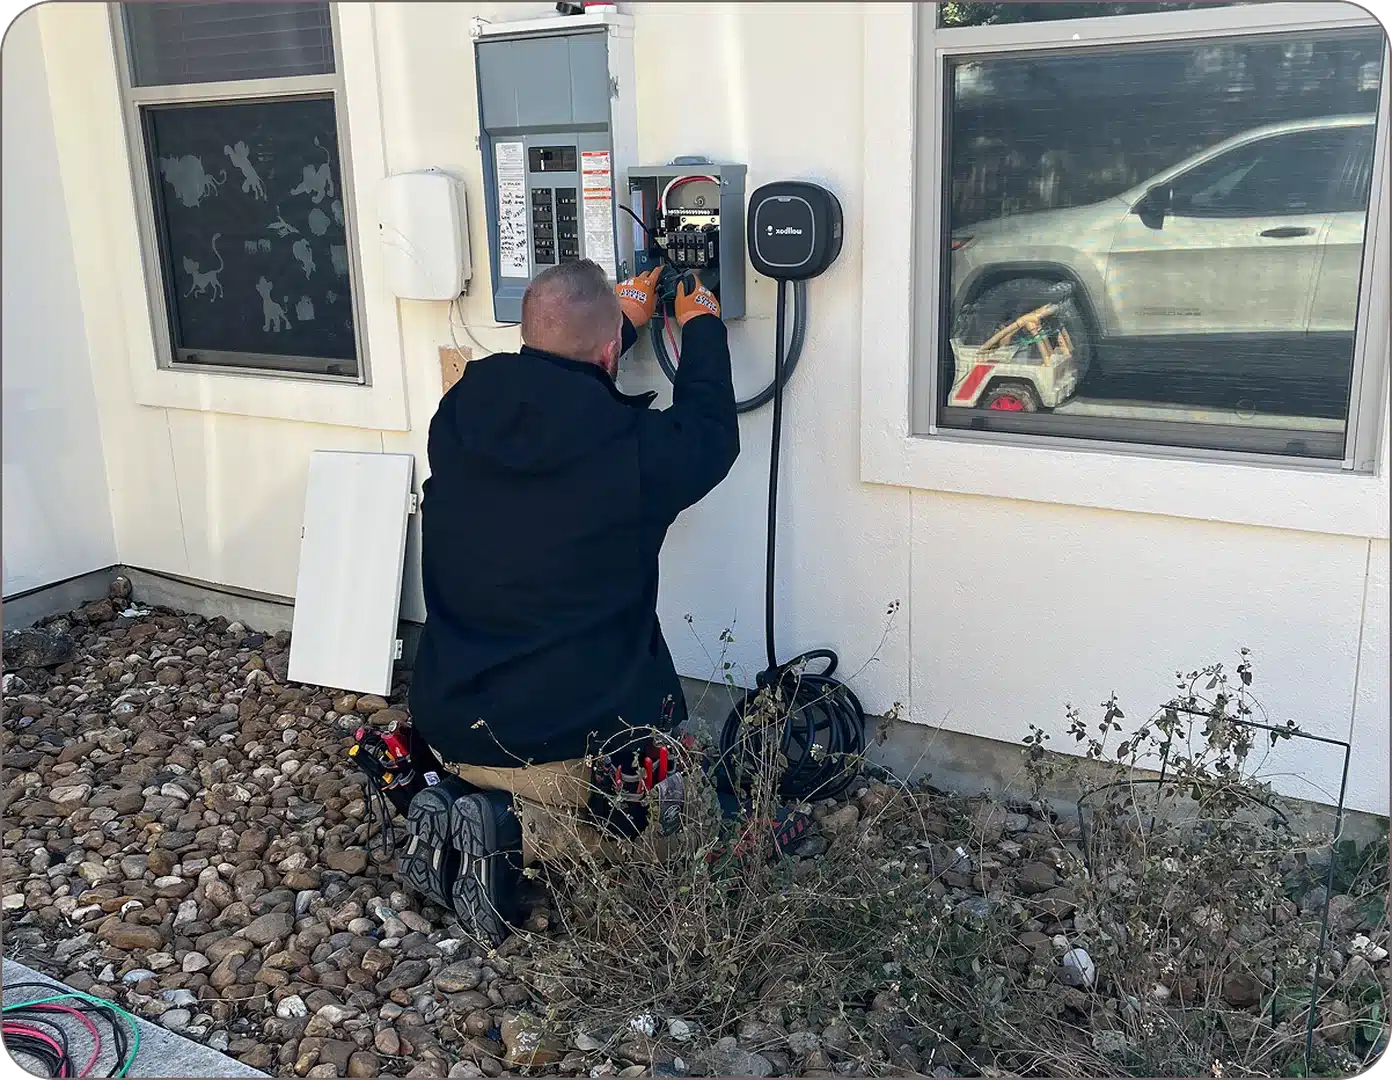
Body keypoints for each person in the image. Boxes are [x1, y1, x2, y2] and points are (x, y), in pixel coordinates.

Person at [397, 259, 738, 942]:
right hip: (563, 751)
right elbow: (711, 433)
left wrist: (623, 324)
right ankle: (513, 833)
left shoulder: (460, 412)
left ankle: (445, 798)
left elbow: (556, 389)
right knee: (682, 827)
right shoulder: (637, 451)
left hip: (450, 719)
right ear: (610, 351)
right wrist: (702, 329)